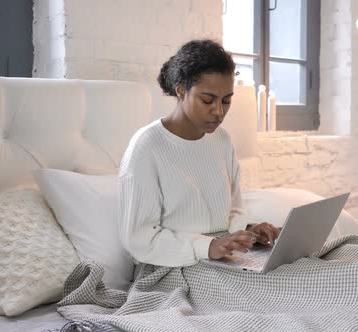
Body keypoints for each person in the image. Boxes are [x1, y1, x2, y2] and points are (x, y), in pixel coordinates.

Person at [118, 39, 280, 268]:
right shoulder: (147, 147)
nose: (219, 111)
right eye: (207, 100)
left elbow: (231, 211)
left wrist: (249, 230)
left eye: (226, 100)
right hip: (172, 267)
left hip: (223, 259)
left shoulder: (222, 140)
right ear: (181, 91)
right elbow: (138, 238)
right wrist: (208, 247)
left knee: (327, 259)